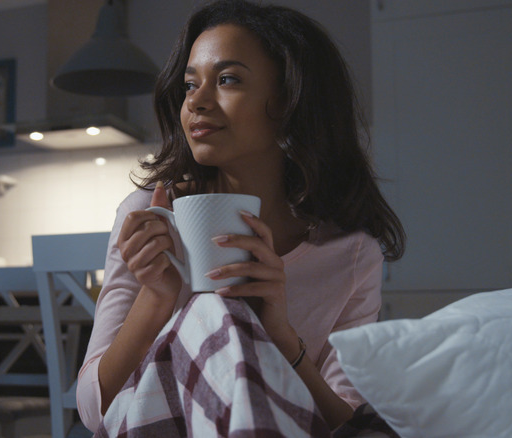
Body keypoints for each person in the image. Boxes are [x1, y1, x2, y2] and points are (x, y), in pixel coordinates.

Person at [76, 0, 404, 434]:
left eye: (227, 79)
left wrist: (282, 339)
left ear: (291, 99)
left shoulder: (351, 254)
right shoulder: (148, 216)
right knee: (214, 310)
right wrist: (156, 299)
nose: (198, 102)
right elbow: (92, 411)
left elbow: (347, 424)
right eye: (190, 85)